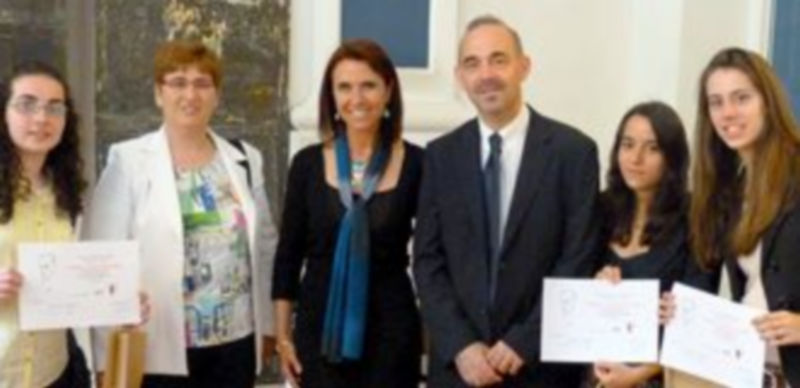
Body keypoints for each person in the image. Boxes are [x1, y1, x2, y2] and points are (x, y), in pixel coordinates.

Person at [413, 15, 600, 387]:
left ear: (523, 67)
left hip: (541, 368)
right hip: (459, 371)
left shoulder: (573, 152)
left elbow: (577, 259)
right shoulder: (440, 156)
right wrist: (462, 346)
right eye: (472, 63)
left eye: (498, 59)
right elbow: (428, 262)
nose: (486, 74)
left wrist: (524, 340)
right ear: (459, 76)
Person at [81, 39, 278, 387]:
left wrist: (269, 328)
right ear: (159, 93)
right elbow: (102, 261)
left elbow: (264, 249)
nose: (191, 94)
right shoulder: (127, 162)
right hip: (156, 346)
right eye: (178, 82)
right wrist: (103, 357)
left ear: (216, 95)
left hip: (235, 344)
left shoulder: (246, 159)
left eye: (203, 83)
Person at [271, 39, 423, 388]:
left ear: (388, 91)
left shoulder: (419, 164)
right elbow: (288, 258)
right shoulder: (307, 164)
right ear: (332, 98)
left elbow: (432, 256)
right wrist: (282, 337)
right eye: (344, 87)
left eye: (368, 85)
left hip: (392, 336)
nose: (357, 98)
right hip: (319, 333)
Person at [682, 47, 800, 387]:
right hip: (749, 372)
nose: (727, 113)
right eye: (716, 102)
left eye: (741, 98)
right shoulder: (729, 189)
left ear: (768, 101)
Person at [591, 102, 703, 388]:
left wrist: (638, 374)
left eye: (652, 148)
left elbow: (698, 320)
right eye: (627, 145)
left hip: (660, 377)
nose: (635, 158)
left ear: (672, 158)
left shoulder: (695, 217)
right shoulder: (600, 209)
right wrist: (593, 286)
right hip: (594, 370)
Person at [0, 61, 89, 387]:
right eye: (26, 105)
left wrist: (119, 297)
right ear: (3, 113)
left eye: (55, 108)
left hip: (55, 372)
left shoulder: (66, 192)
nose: (41, 118)